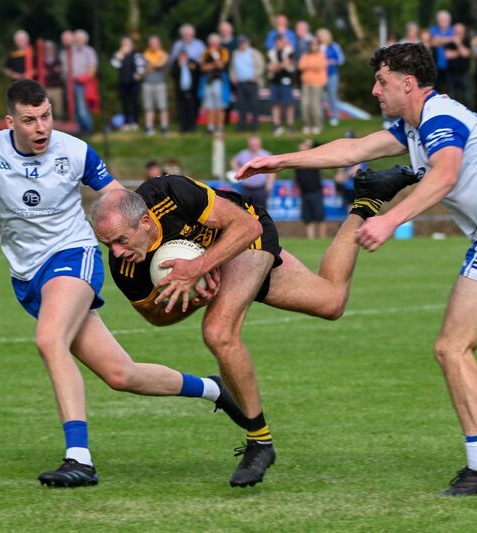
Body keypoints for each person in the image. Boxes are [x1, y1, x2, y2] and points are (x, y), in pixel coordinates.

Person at [235, 42, 477, 496]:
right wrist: (280, 160)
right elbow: (353, 148)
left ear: (407, 84)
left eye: (382, 81)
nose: (376, 89)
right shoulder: (416, 124)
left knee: (452, 348)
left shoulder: (440, 119)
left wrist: (391, 219)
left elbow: (445, 174)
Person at [0, 79, 246, 488]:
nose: (41, 127)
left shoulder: (75, 151)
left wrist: (168, 245)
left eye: (46, 116)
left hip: (73, 256)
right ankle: (213, 390)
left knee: (48, 339)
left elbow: (120, 201)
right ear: (11, 122)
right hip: (27, 275)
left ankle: (80, 458)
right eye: (30, 120)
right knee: (120, 374)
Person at [91, 166, 416, 487]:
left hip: (245, 238)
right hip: (219, 264)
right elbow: (156, 317)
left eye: (121, 240)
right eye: (108, 245)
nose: (117, 252)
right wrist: (196, 297)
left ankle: (259, 441)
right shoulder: (125, 267)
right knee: (331, 301)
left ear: (145, 222)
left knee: (218, 332)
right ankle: (367, 200)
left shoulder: (170, 194)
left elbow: (245, 226)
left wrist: (199, 268)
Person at [230, 35, 264, 132]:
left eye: (244, 42)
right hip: (240, 83)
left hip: (252, 82)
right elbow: (232, 68)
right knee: (241, 106)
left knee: (254, 105)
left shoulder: (254, 53)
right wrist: (234, 79)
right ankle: (241, 126)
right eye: (240, 43)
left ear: (247, 43)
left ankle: (254, 127)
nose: (242, 44)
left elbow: (261, 65)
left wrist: (257, 75)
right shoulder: (235, 54)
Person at [294, 139, 326, 239]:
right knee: (308, 219)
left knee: (319, 217)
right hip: (304, 194)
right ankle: (311, 238)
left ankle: (322, 238)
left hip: (316, 192)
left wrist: (309, 144)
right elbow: (297, 180)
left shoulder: (314, 159)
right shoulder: (297, 164)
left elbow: (320, 146)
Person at [111, 36, 144, 131]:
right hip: (123, 82)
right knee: (124, 103)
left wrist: (138, 74)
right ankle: (126, 123)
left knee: (134, 102)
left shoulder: (136, 55)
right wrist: (120, 54)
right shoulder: (120, 55)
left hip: (133, 83)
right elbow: (115, 64)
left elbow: (141, 65)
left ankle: (135, 122)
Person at [230, 135, 273, 209]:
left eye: (255, 144)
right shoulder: (243, 154)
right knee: (246, 212)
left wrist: (269, 185)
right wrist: (237, 171)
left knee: (262, 212)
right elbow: (233, 161)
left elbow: (271, 172)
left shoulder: (266, 155)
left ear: (260, 144)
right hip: (246, 189)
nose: (254, 146)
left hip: (261, 189)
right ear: (249, 144)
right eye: (252, 144)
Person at [70, 29, 99, 133]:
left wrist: (82, 78)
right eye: (76, 39)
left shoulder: (89, 51)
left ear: (85, 40)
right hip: (71, 83)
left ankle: (89, 128)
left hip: (84, 83)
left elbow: (92, 69)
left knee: (83, 107)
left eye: (80, 39)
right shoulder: (71, 51)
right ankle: (80, 129)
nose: (78, 41)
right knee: (75, 108)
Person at [199, 33, 230, 133]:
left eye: (215, 43)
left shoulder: (223, 51)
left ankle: (220, 127)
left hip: (219, 81)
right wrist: (213, 65)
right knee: (209, 106)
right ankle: (210, 127)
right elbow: (203, 67)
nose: (213, 45)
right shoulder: (205, 52)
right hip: (208, 81)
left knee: (219, 105)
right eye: (211, 43)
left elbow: (221, 65)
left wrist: (215, 55)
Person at [267, 35, 296, 136]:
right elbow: (270, 68)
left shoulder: (289, 52)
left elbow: (288, 65)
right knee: (275, 104)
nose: (280, 43)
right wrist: (281, 65)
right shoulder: (271, 53)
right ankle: (277, 125)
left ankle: (290, 125)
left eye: (282, 41)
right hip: (275, 81)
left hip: (286, 81)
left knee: (288, 104)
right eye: (278, 42)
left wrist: (276, 67)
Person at [298, 38, 327, 135]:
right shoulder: (305, 55)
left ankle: (317, 125)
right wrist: (311, 65)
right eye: (311, 44)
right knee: (305, 105)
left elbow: (319, 66)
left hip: (317, 83)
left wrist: (309, 65)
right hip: (306, 83)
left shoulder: (321, 55)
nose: (313, 46)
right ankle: (307, 125)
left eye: (315, 44)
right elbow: (301, 66)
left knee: (315, 105)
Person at [141, 35, 169, 136]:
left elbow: (161, 64)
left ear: (159, 44)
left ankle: (164, 127)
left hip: (160, 84)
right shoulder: (145, 54)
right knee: (148, 107)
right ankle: (149, 127)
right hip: (147, 84)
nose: (153, 45)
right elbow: (143, 68)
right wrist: (155, 65)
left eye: (155, 43)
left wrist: (150, 66)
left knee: (163, 107)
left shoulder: (163, 54)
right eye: (151, 43)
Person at [317, 28, 345, 127]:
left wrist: (333, 61)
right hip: (319, 75)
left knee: (332, 96)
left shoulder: (334, 46)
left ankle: (334, 117)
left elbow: (341, 59)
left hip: (332, 74)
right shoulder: (317, 47)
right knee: (319, 97)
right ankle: (320, 118)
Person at [170, 50, 200, 133]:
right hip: (180, 91)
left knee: (192, 109)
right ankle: (183, 127)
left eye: (184, 56)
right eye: (181, 56)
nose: (182, 58)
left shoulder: (192, 63)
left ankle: (192, 127)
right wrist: (179, 66)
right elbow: (172, 73)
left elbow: (198, 70)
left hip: (191, 90)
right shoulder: (176, 63)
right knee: (181, 109)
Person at [444, 23, 471, 106]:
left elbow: (466, 54)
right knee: (451, 97)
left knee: (466, 97)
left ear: (463, 31)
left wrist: (458, 44)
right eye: (456, 31)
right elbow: (447, 55)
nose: (458, 33)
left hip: (464, 73)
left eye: (460, 31)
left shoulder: (467, 41)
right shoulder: (449, 42)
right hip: (451, 73)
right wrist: (460, 52)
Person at [430, 10, 455, 94]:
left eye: (444, 20)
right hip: (436, 65)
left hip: (450, 66)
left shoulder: (453, 30)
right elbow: (433, 42)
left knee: (449, 90)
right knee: (436, 90)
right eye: (441, 19)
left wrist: (439, 40)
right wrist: (449, 39)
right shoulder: (433, 30)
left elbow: (437, 41)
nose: (442, 22)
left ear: (449, 21)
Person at [42, 41, 65, 120]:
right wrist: (53, 71)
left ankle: (60, 124)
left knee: (58, 109)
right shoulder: (41, 61)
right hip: (45, 88)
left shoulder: (58, 60)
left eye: (50, 48)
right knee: (45, 109)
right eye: (47, 49)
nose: (49, 50)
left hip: (56, 87)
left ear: (54, 49)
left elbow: (59, 72)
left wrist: (48, 72)